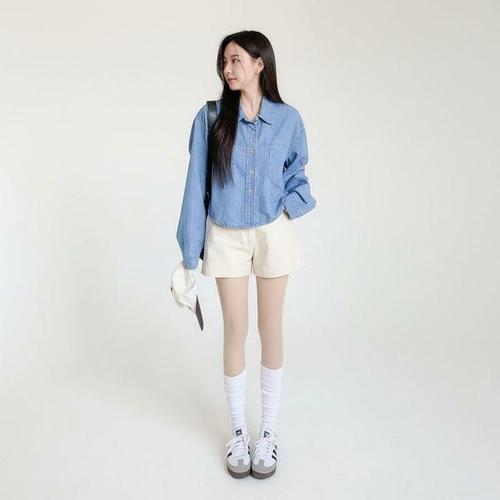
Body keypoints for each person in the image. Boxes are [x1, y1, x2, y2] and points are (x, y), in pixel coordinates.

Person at [176, 30, 317, 479]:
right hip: (226, 234)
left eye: (236, 60)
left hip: (273, 234)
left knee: (270, 328)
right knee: (235, 329)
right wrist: (188, 256)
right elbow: (196, 185)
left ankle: (268, 432)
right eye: (224, 61)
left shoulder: (289, 119)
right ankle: (238, 431)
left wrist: (287, 208)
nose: (227, 68)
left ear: (260, 63)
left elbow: (297, 172)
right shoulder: (211, 118)